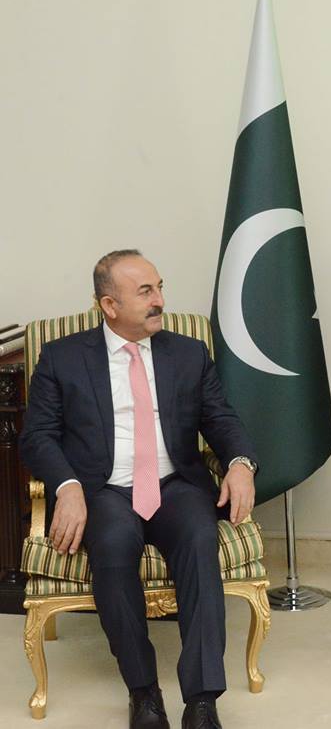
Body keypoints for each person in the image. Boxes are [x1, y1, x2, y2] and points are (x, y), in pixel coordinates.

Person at [20, 250, 258, 729]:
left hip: (175, 485)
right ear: (109, 305)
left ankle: (203, 699)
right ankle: (144, 692)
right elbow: (38, 435)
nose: (160, 300)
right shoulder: (63, 357)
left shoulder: (188, 352)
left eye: (159, 287)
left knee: (198, 538)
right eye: (145, 292)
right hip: (103, 488)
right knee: (111, 547)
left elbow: (221, 418)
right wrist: (67, 486)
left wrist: (240, 463)